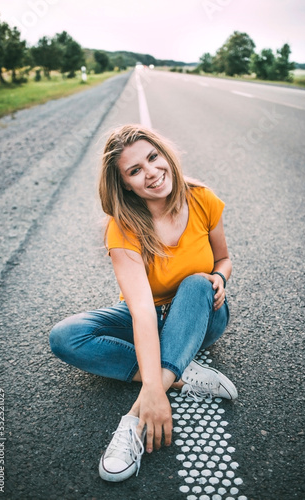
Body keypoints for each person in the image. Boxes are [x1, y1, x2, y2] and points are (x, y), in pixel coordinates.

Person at [49, 124, 238, 483]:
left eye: (153, 157)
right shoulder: (122, 227)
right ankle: (178, 375)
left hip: (202, 315)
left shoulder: (202, 198)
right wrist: (156, 385)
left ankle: (132, 425)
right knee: (65, 336)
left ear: (165, 155)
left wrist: (221, 278)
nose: (151, 172)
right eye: (135, 170)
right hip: (150, 313)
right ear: (125, 185)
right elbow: (140, 311)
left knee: (198, 282)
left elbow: (223, 259)